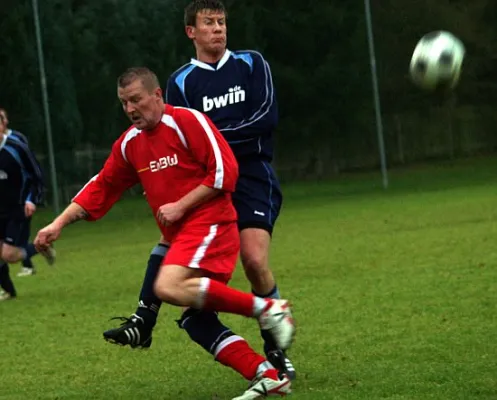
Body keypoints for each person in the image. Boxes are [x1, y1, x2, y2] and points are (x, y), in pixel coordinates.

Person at [34, 67, 294, 398]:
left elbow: (225, 172)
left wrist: (181, 205)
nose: (130, 109)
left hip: (213, 225)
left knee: (168, 285)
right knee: (196, 321)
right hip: (184, 238)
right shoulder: (130, 143)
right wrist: (57, 224)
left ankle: (269, 310)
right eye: (123, 102)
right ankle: (268, 374)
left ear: (157, 96)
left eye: (136, 100)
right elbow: (102, 185)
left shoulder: (187, 122)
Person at [103, 0, 296, 381]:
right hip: (205, 182)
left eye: (222, 22)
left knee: (254, 261)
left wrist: (214, 139)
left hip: (252, 176)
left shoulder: (252, 64)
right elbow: (175, 139)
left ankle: (275, 347)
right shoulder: (181, 82)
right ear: (191, 32)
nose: (218, 29)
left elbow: (266, 118)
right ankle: (146, 316)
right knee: (175, 258)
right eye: (209, 23)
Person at [0, 116, 51, 301]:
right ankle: (9, 291)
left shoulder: (16, 147)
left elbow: (36, 175)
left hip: (18, 208)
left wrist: (31, 200)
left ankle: (39, 247)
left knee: (9, 255)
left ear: (3, 126)